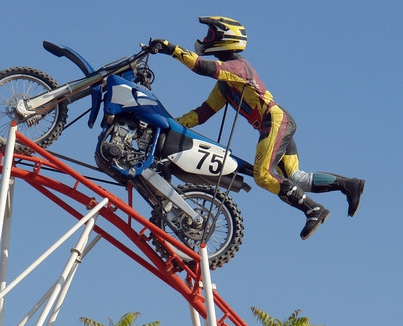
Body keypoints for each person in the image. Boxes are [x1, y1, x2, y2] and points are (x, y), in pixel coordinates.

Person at [151, 16, 364, 240]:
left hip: (275, 122)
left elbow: (200, 66)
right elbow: (203, 112)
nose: (206, 39)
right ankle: (349, 185)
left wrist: (170, 48)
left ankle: (313, 210)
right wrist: (171, 122)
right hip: (277, 122)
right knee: (297, 179)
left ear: (226, 39)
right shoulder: (225, 83)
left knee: (263, 175)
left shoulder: (237, 67)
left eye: (211, 35)